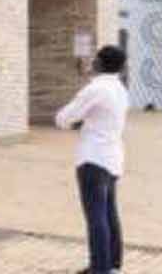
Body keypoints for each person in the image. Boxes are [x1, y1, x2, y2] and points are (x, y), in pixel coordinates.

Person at [55, 44, 130, 274]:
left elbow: (64, 118)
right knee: (109, 213)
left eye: (95, 58)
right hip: (113, 157)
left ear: (100, 63)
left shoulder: (96, 89)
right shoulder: (120, 88)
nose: (92, 62)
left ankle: (100, 268)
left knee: (96, 216)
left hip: (93, 159)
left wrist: (73, 121)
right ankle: (112, 264)